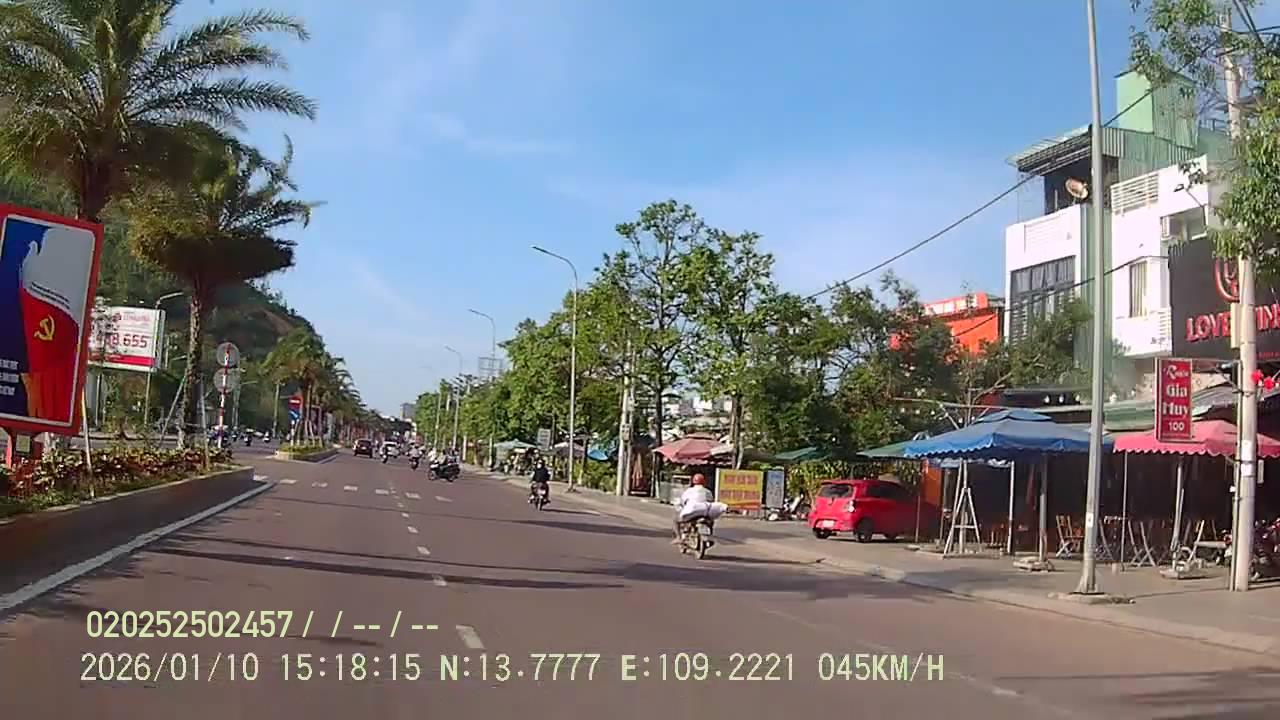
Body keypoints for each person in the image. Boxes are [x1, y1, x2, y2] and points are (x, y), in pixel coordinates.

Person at [673, 473, 714, 544]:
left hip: (692, 512)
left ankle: (679, 538)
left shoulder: (689, 491)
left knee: (676, 520)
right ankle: (709, 535)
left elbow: (682, 501)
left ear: (693, 481)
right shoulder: (708, 492)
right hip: (704, 513)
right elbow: (711, 502)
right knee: (711, 521)